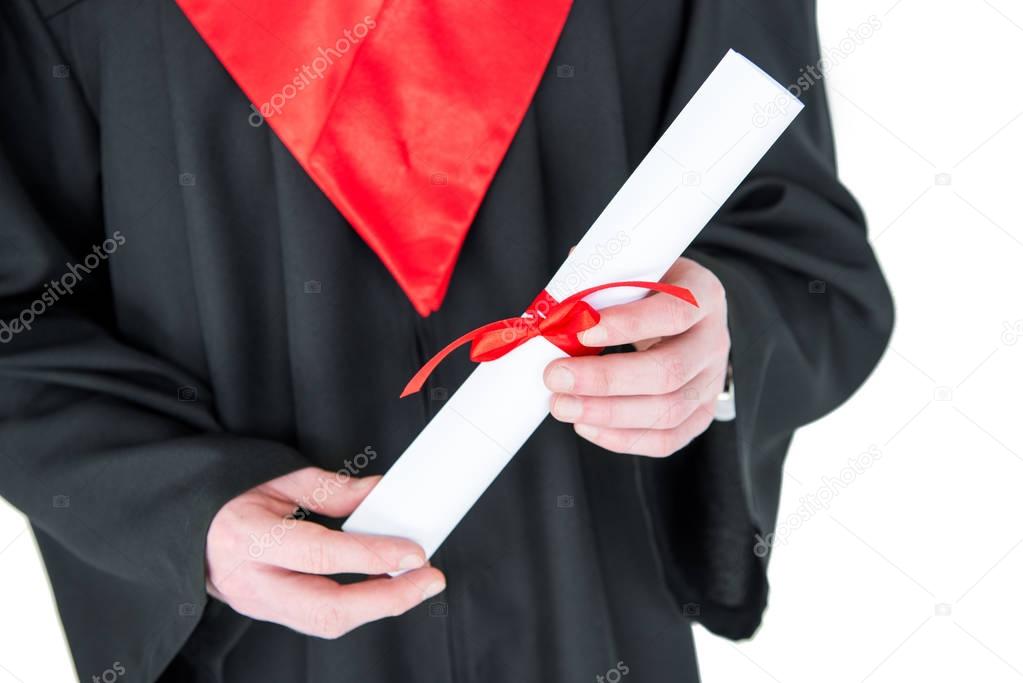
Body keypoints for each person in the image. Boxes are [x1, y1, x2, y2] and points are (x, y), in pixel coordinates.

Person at [0, 0, 893, 681]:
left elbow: (804, 253)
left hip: (592, 616)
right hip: (259, 642)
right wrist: (177, 512)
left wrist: (717, 339)